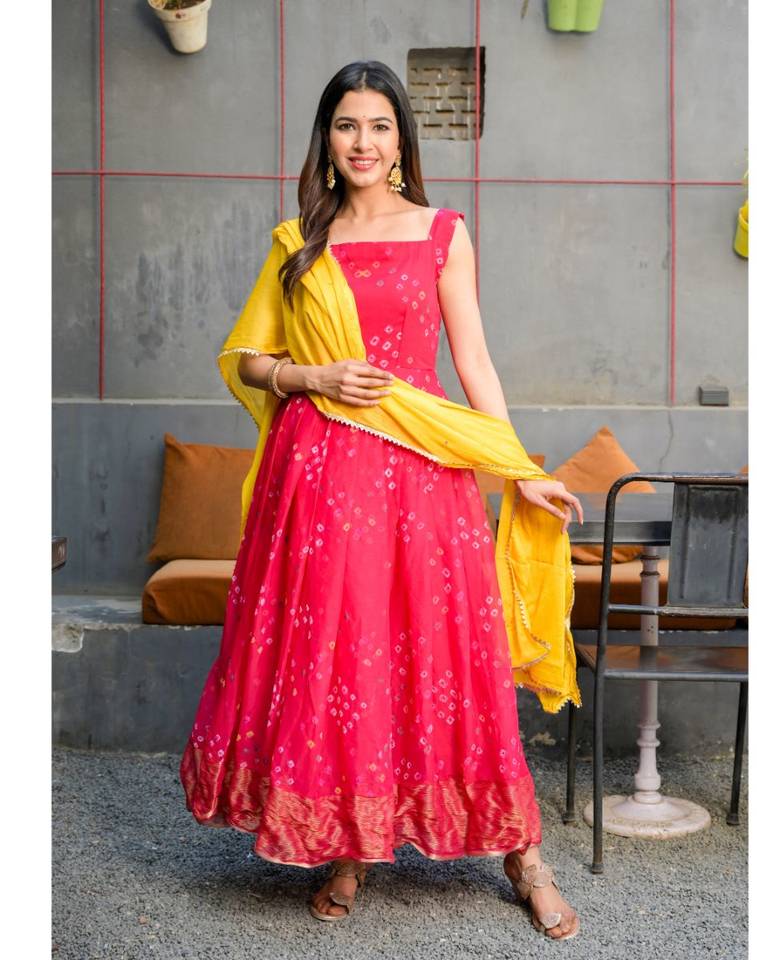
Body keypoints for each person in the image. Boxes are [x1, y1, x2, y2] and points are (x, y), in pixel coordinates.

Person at [180, 60, 583, 941]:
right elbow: (247, 359)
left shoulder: (443, 232)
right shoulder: (299, 241)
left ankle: (524, 854)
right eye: (346, 126)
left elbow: (474, 364)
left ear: (403, 140)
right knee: (345, 658)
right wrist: (309, 373)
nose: (362, 143)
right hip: (319, 476)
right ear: (326, 139)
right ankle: (351, 846)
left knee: (448, 655)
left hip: (421, 481)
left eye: (379, 127)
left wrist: (518, 468)